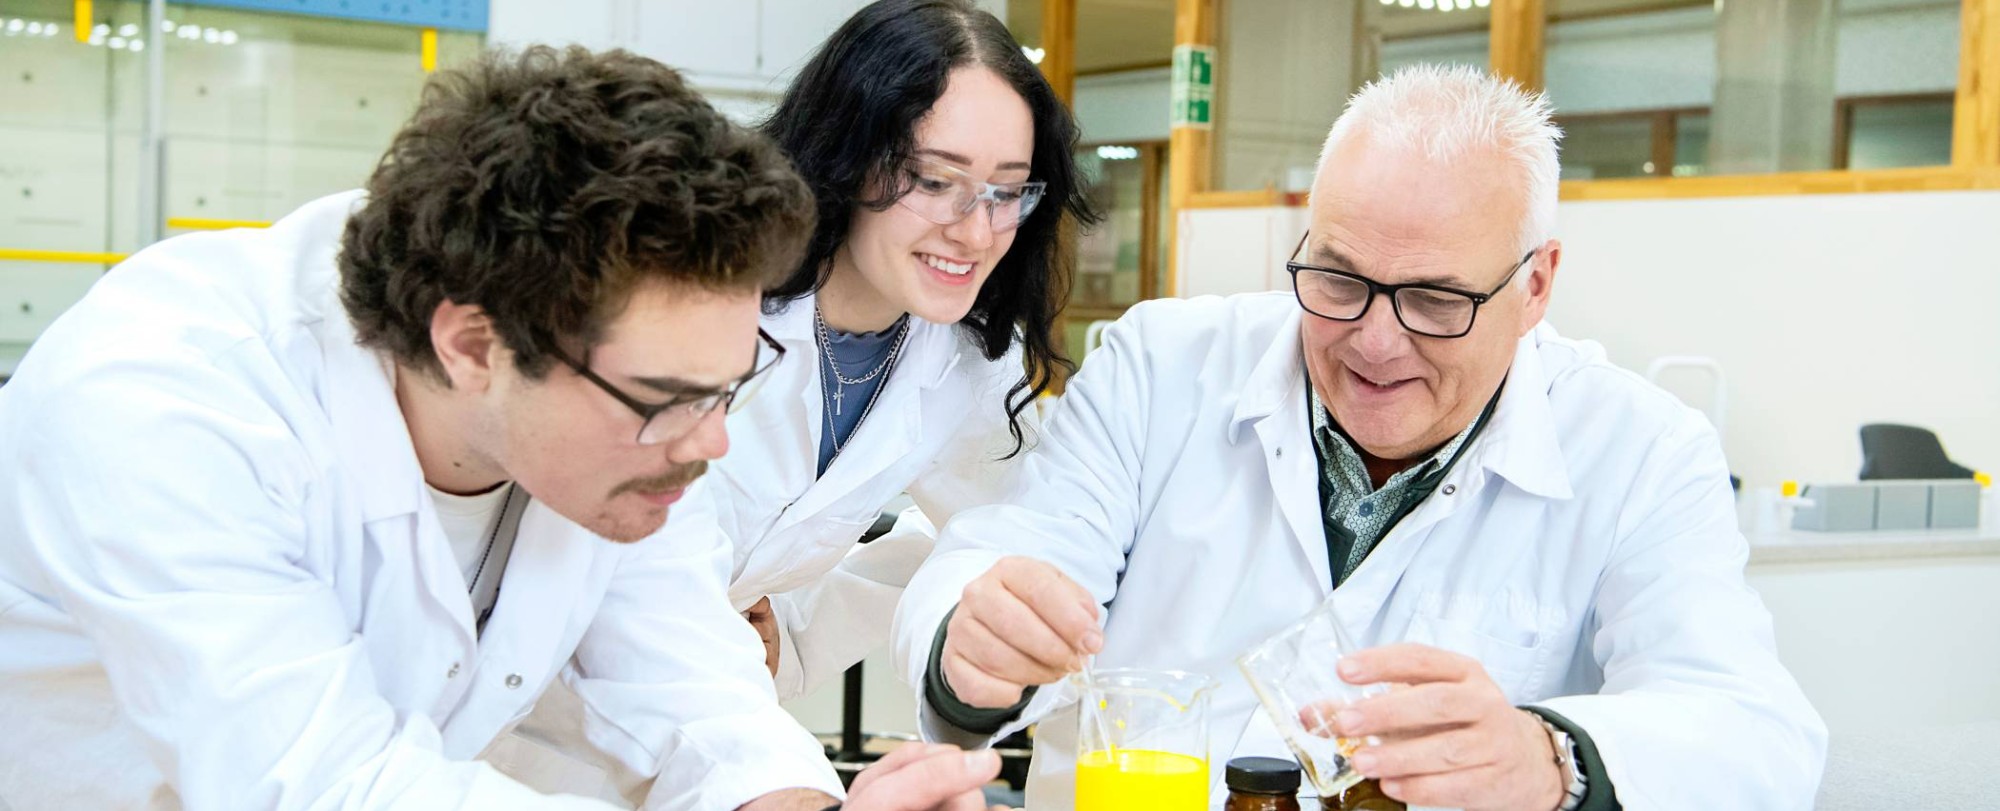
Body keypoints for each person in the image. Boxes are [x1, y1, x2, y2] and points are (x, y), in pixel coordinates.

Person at [0, 46, 999, 811]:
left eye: (724, 389)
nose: (710, 444)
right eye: (665, 400)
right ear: (472, 345)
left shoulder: (596, 430)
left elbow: (693, 683)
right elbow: (322, 782)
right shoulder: (166, 401)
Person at [891, 65, 1827, 810]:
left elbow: (1754, 732)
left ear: (1535, 285)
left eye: (1435, 300)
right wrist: (971, 647)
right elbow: (1004, 563)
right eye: (1336, 279)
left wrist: (1551, 757)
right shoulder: (1163, 364)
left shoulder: (1641, 449)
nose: (1375, 342)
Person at [728, 0, 1095, 698]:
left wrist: (792, 638)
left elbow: (1012, 538)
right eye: (934, 181)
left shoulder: (968, 361)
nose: (977, 231)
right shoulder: (716, 306)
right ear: (847, 154)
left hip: (703, 711)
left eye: (1007, 192)